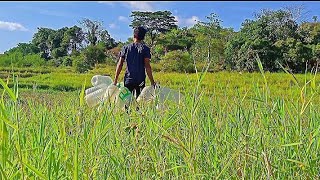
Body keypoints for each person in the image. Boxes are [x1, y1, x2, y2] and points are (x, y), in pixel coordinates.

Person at [113, 26, 156, 99]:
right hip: (140, 79)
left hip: (128, 80)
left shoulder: (126, 48)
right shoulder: (145, 49)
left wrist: (115, 80)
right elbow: (147, 66)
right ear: (143, 37)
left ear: (134, 35)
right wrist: (152, 82)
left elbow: (120, 64)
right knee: (140, 101)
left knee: (127, 101)